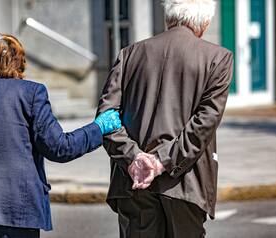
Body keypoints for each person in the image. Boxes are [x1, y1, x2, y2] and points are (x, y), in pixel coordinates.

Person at [0, 33, 121, 238]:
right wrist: (98, 128)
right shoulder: (31, 93)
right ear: (19, 62)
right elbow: (59, 147)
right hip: (18, 210)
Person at [97, 0, 234, 237]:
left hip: (134, 183)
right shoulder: (218, 58)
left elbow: (106, 117)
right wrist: (161, 161)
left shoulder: (129, 53)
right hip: (184, 183)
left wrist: (135, 157)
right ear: (205, 23)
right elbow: (204, 123)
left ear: (168, 18)